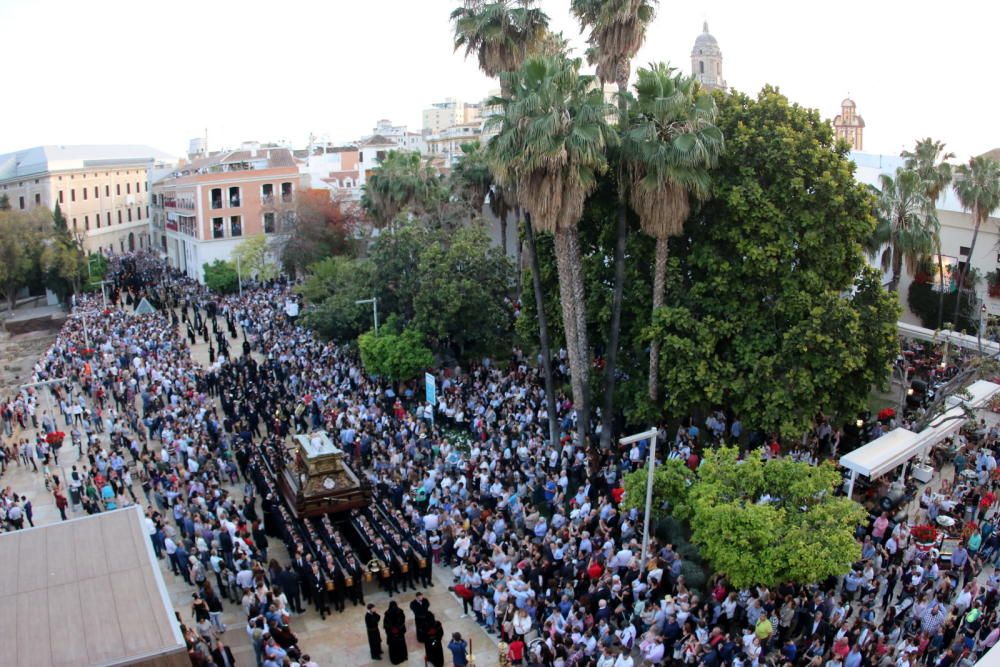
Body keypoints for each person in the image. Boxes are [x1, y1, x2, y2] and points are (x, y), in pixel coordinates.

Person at [384, 600, 408, 665]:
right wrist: (392, 629)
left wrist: (397, 628)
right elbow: (386, 624)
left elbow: (402, 621)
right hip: (393, 633)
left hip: (399, 632)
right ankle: (396, 659)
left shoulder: (400, 612)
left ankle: (402, 657)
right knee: (395, 646)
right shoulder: (387, 613)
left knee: (399, 645)